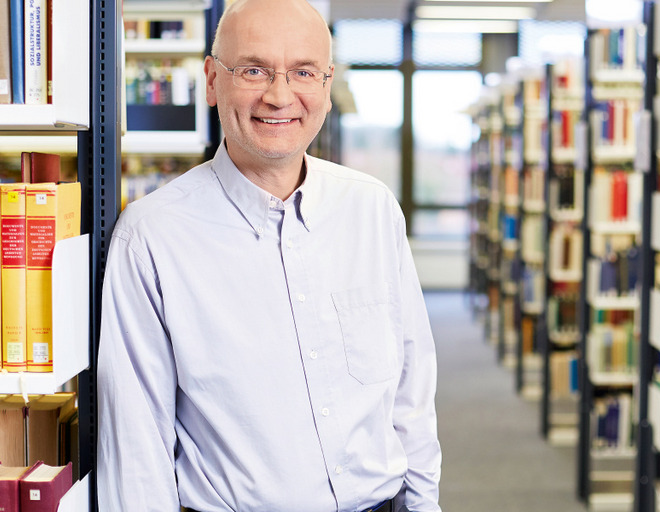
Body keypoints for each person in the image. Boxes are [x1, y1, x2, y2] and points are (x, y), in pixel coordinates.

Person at [95, 0, 442, 510]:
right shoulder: (152, 237)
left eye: (303, 72)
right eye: (254, 70)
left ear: (326, 85)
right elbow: (137, 443)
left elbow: (412, 392)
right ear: (212, 80)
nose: (280, 97)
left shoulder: (372, 211)